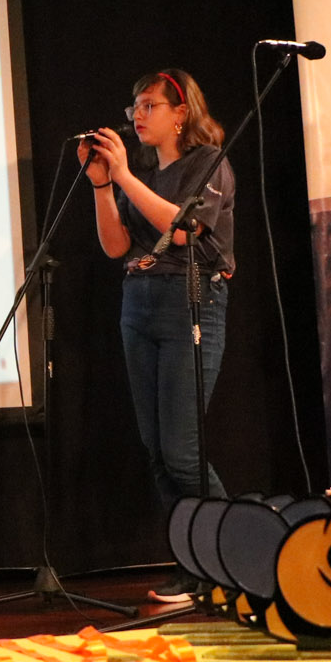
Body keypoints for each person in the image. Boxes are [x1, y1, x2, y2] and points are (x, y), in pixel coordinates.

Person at [79, 70, 235, 603]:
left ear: (181, 113)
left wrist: (122, 176)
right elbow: (115, 246)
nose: (138, 116)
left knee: (184, 451)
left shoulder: (207, 162)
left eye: (149, 105)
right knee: (157, 452)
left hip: (190, 301)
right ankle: (194, 565)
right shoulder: (143, 174)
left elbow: (186, 229)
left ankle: (233, 557)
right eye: (135, 107)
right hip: (139, 303)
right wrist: (103, 184)